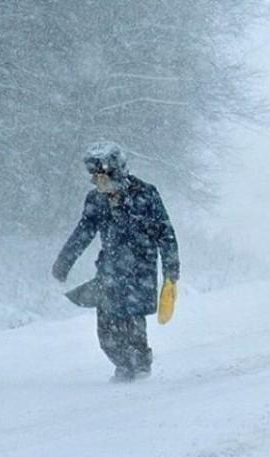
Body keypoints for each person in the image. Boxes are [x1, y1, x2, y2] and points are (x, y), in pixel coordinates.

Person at [51, 141, 180, 382]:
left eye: (104, 177)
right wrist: (64, 261)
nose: (100, 183)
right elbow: (83, 232)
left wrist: (171, 272)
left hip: (140, 270)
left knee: (132, 320)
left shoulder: (146, 194)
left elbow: (166, 234)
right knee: (106, 328)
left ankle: (140, 366)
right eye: (95, 178)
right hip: (109, 271)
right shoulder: (95, 200)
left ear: (119, 172)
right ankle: (122, 365)